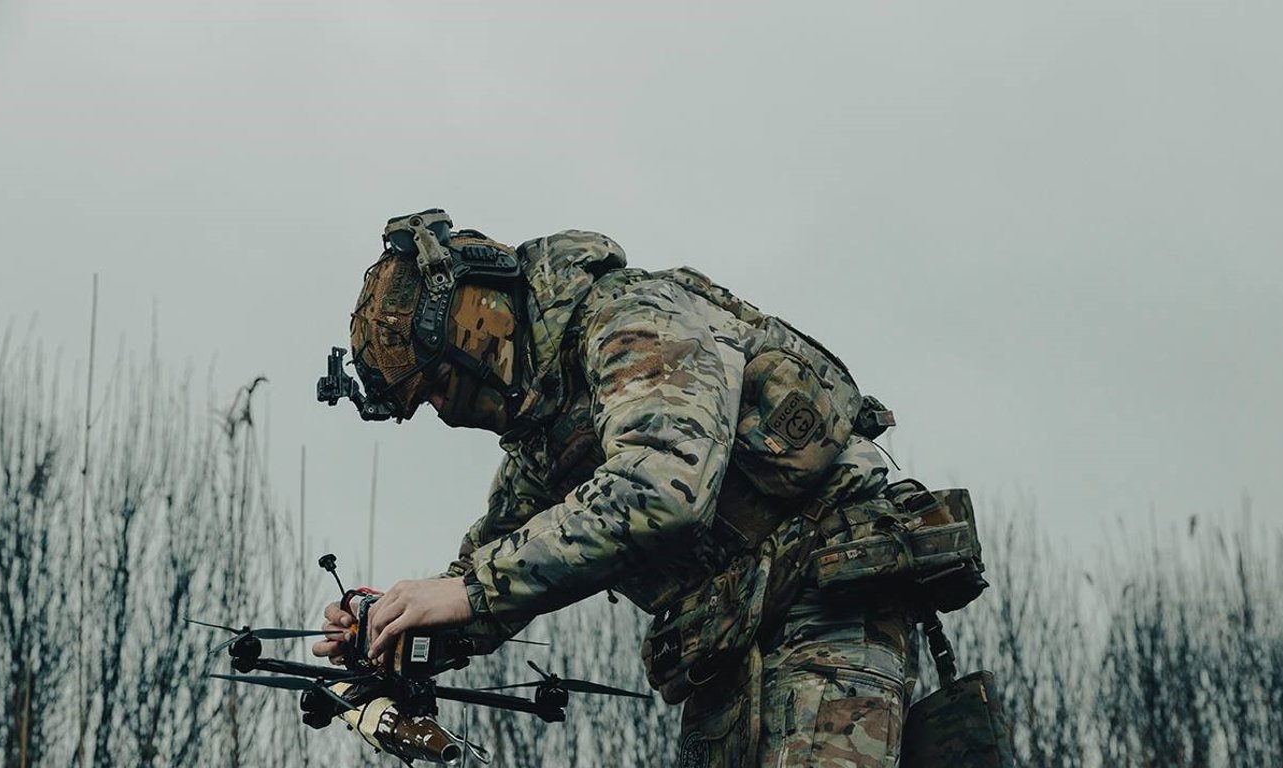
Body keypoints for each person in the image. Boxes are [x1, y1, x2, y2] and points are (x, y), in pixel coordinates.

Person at [313, 209, 918, 767]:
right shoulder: (542, 436)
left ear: (476, 325)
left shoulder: (631, 321)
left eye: (439, 384)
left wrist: (469, 590)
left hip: (825, 609)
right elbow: (495, 566)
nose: (444, 411)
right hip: (728, 651)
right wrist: (390, 628)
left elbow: (662, 485)